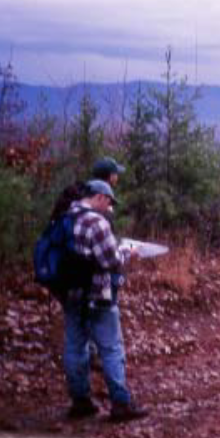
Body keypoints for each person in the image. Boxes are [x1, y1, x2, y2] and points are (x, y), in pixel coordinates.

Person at [61, 179, 147, 423]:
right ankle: (120, 404)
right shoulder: (96, 222)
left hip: (71, 294)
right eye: (108, 201)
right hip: (98, 295)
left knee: (75, 346)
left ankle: (80, 401)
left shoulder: (67, 216)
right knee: (111, 347)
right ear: (99, 197)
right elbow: (110, 261)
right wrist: (127, 253)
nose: (109, 207)